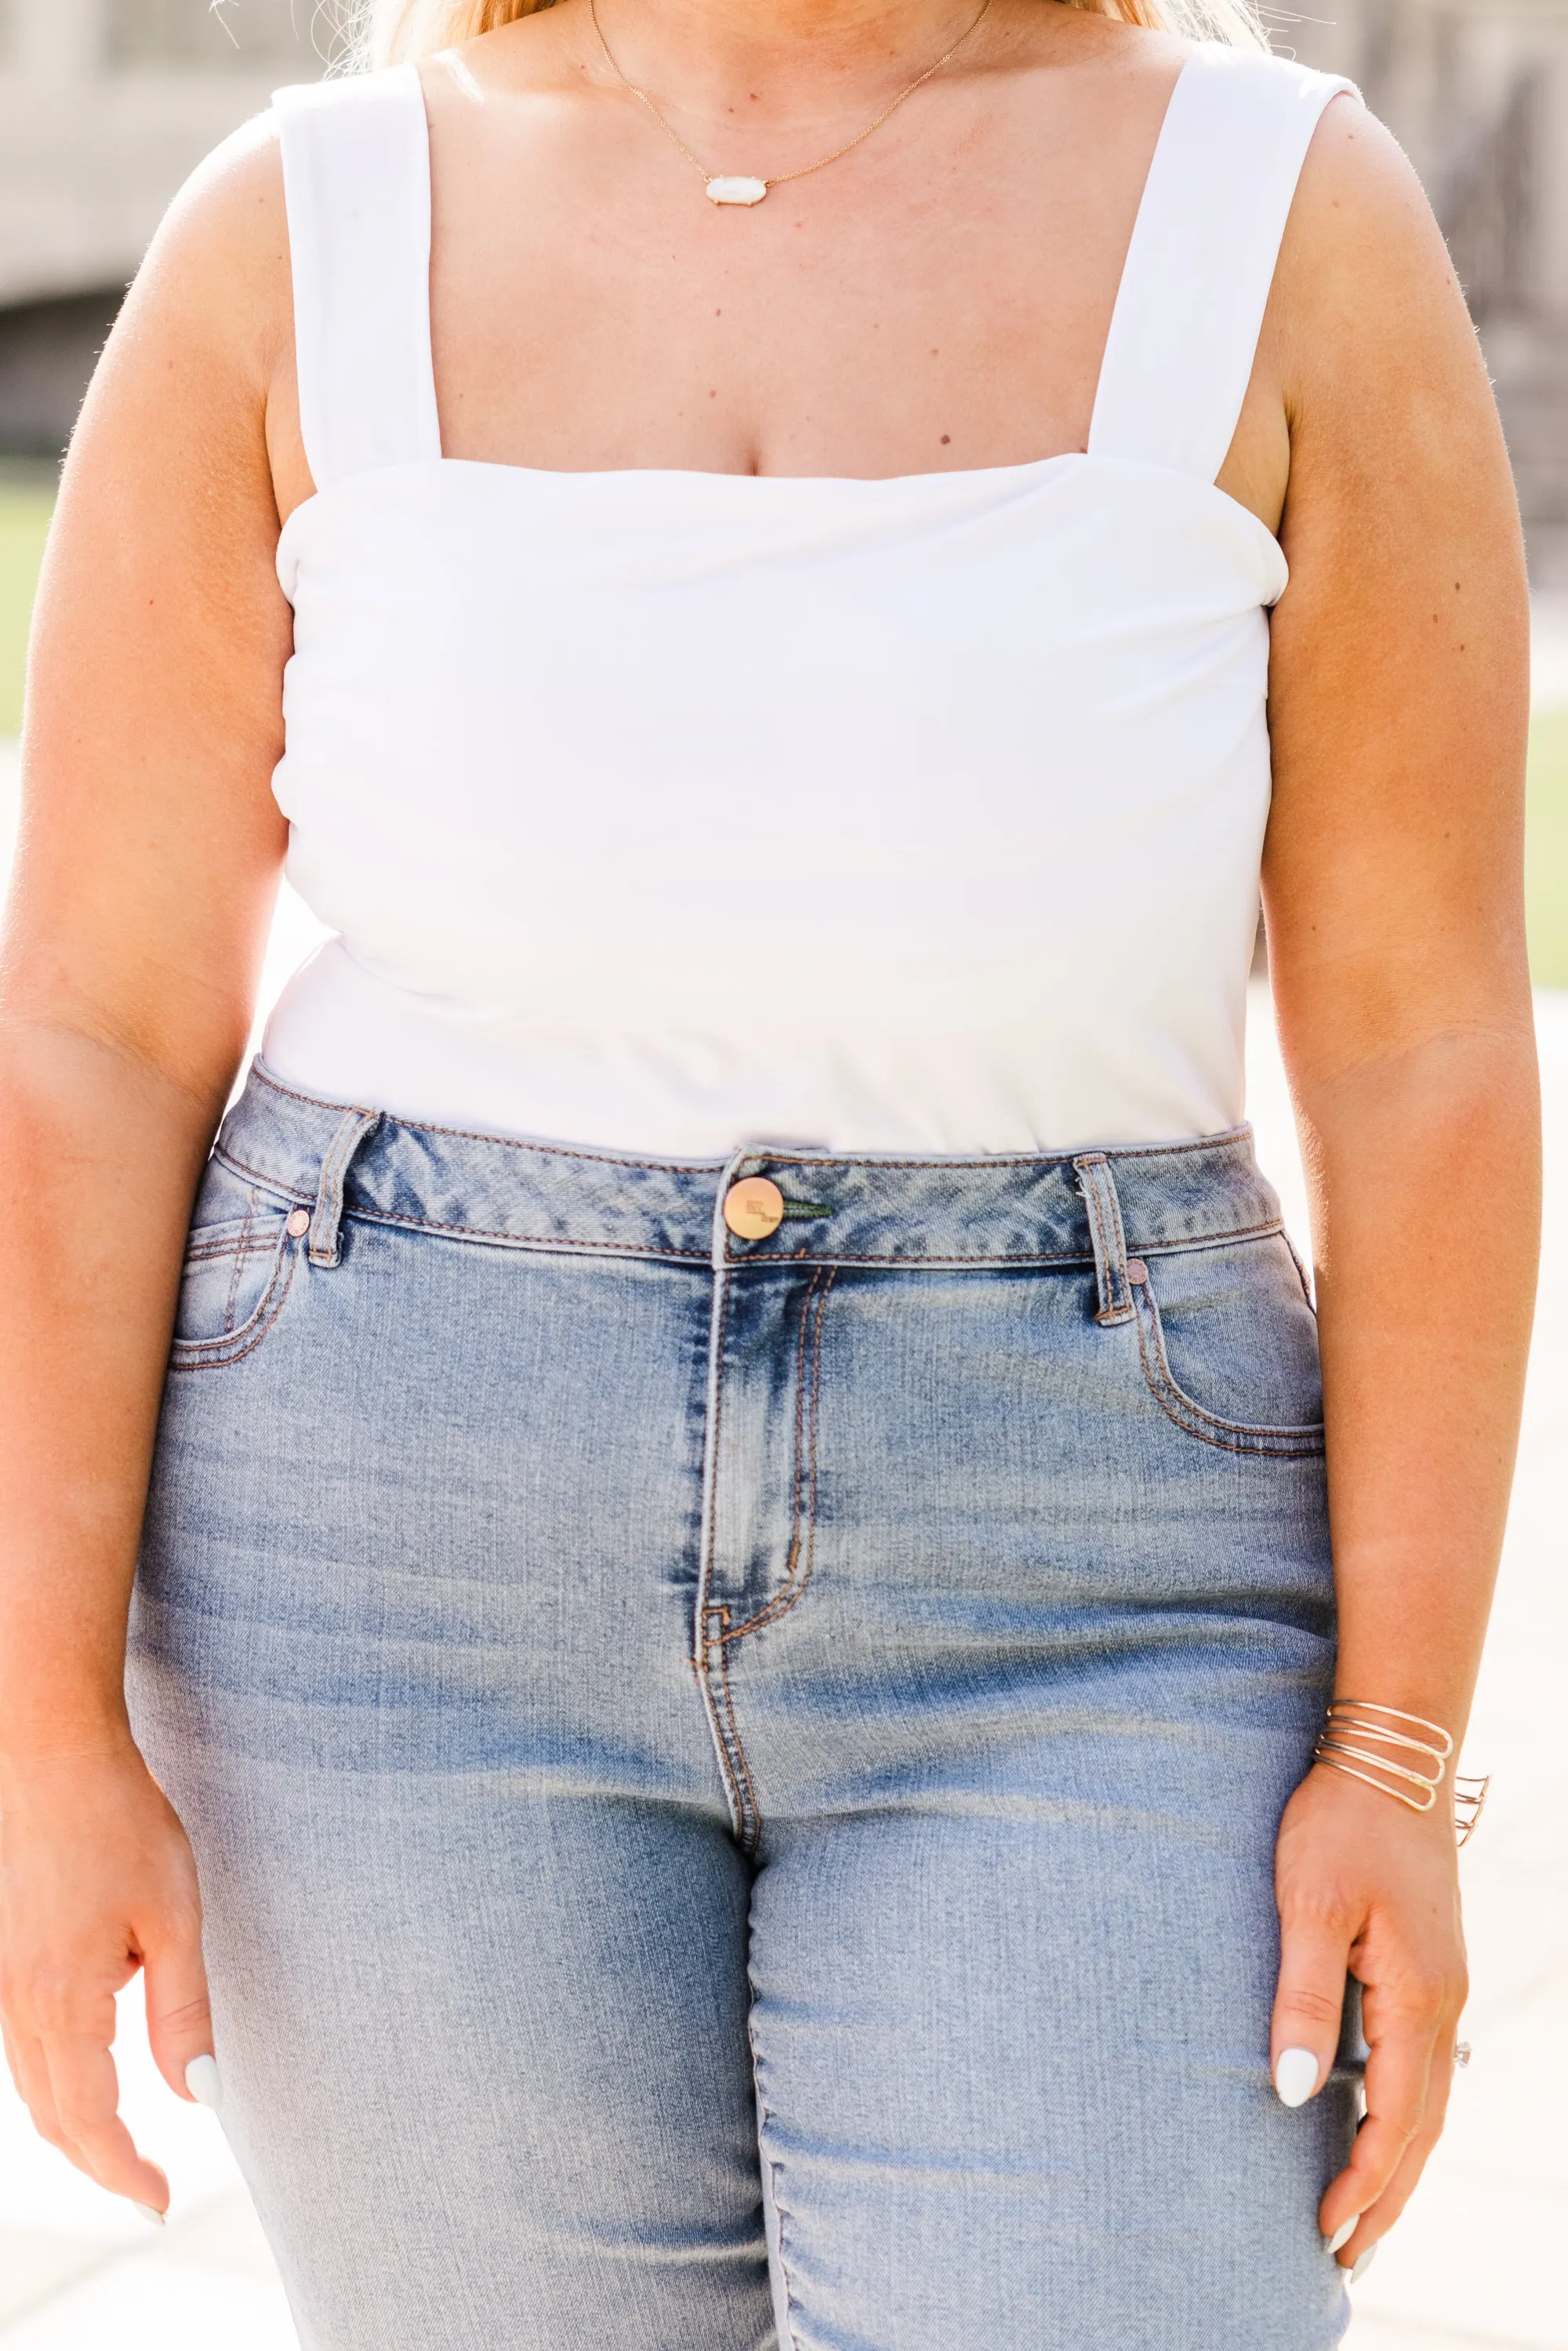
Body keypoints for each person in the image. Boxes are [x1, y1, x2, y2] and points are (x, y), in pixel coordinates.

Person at [0, 0, 1538, 2342]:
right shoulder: (297, 232)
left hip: (1095, 1594)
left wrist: (1400, 1753)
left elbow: (1426, 1044)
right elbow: (93, 1039)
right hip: (385, 1596)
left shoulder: (1285, 217)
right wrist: (38, 1729)